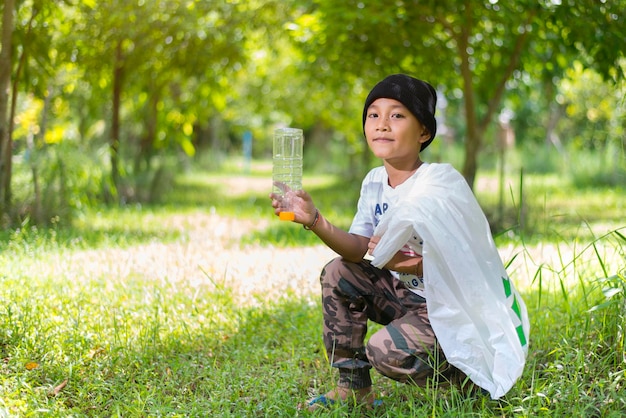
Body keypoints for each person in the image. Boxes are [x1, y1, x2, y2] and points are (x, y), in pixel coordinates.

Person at [269, 74, 527, 410]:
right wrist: (315, 220)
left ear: (424, 132)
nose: (382, 125)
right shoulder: (374, 181)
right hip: (403, 294)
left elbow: (468, 263)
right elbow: (361, 248)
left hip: (446, 307)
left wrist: (413, 262)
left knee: (384, 351)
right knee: (338, 272)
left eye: (397, 115)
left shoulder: (440, 184)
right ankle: (353, 391)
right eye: (373, 115)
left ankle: (470, 382)